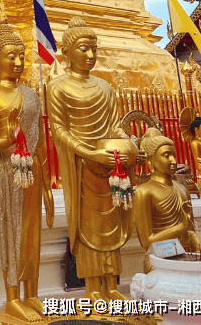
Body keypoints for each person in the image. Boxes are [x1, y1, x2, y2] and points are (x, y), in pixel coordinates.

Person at [47, 16, 140, 303]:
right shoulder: (58, 87)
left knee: (112, 226)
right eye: (84, 49)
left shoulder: (105, 88)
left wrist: (127, 142)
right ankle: (92, 290)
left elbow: (114, 126)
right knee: (88, 231)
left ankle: (112, 286)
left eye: (95, 49)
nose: (91, 55)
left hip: (110, 167)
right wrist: (89, 152)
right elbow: (59, 131)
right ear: (67, 54)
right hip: (81, 167)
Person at [0, 8, 53, 323]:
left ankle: (31, 293)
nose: (18, 62)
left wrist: (47, 185)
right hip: (4, 172)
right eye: (11, 56)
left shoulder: (32, 95)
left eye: (21, 56)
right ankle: (12, 297)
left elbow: (40, 141)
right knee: (10, 233)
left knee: (31, 234)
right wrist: (7, 137)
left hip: (31, 171)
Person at [133, 127, 201, 273]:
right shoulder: (144, 192)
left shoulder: (182, 189)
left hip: (187, 254)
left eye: (174, 155)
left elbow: (190, 231)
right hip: (159, 259)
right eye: (166, 155)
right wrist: (180, 227)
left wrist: (198, 243)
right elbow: (147, 242)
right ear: (151, 160)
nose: (173, 161)